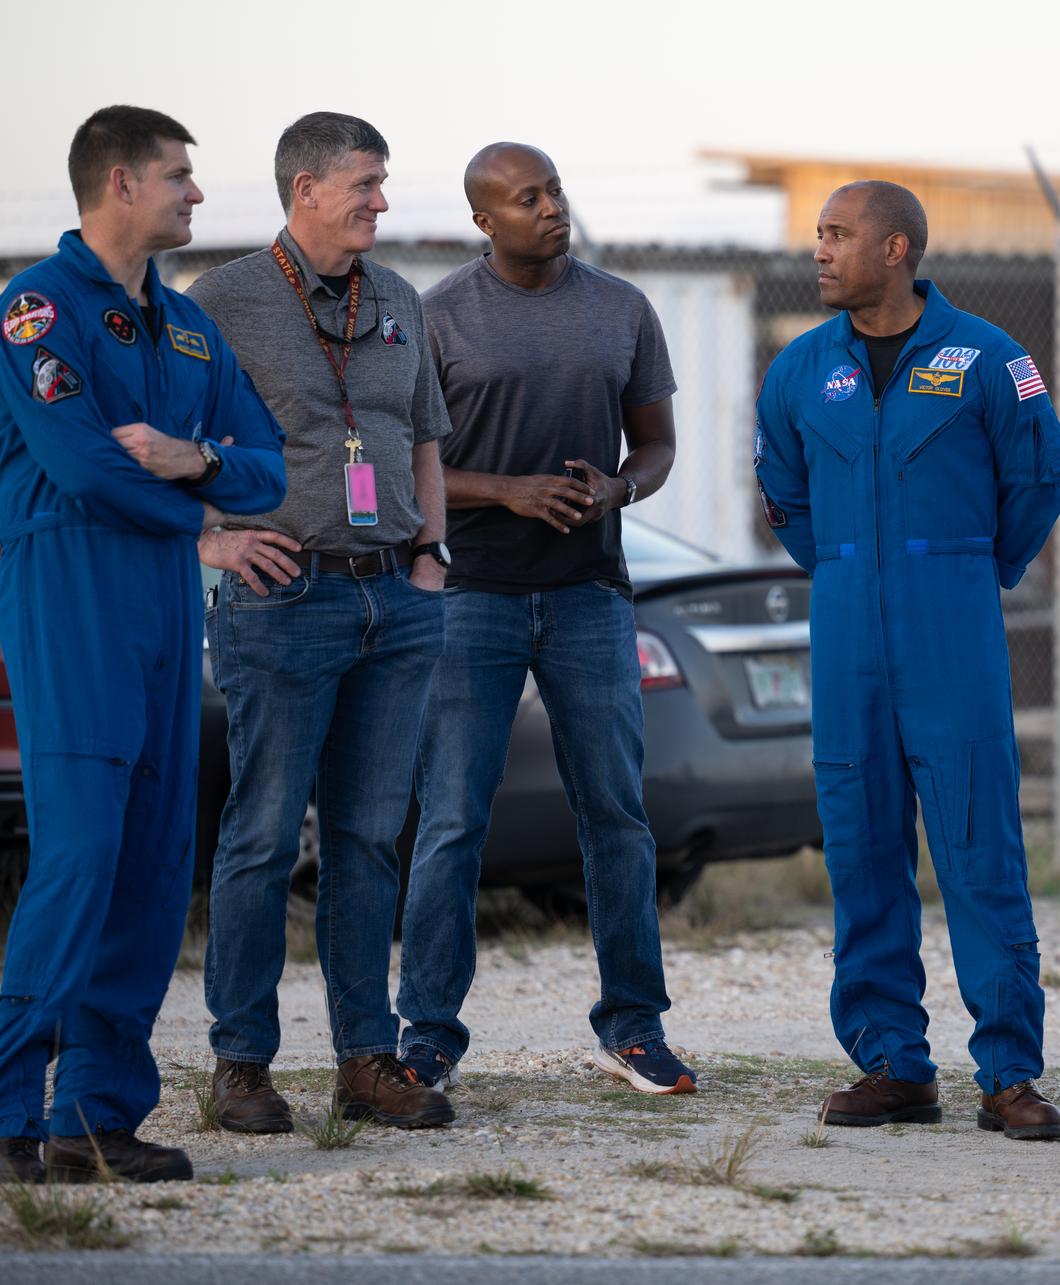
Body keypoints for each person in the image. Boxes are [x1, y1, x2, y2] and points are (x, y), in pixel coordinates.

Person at [0, 105, 286, 1183]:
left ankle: (96, 1117)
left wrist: (197, 461)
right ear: (118, 184)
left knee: (154, 867)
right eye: (179, 177)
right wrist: (207, 519)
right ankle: (5, 1115)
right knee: (81, 859)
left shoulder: (189, 330)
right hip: (74, 607)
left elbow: (270, 468)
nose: (197, 194)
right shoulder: (35, 313)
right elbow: (85, 468)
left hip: (162, 612)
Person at [754, 181, 1060, 1140]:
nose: (820, 250)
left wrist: (973, 568)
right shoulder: (801, 368)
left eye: (838, 235)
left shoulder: (989, 357)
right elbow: (784, 488)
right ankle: (893, 1063)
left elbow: (1037, 480)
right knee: (861, 849)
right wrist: (851, 568)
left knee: (980, 850)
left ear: (896, 249)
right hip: (847, 629)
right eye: (818, 234)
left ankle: (1009, 1072)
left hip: (953, 630)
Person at [398, 142, 691, 1094]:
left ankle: (634, 1027)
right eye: (528, 199)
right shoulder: (438, 318)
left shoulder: (622, 308)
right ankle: (428, 1035)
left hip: (589, 599)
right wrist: (508, 493)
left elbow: (657, 444)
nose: (552, 208)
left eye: (556, 190)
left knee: (617, 815)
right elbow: (415, 467)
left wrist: (618, 490)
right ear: (486, 220)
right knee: (451, 820)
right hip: (471, 597)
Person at [187, 112, 455, 1133]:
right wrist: (209, 542)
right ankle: (242, 1064)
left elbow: (422, 434)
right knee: (260, 835)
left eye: (382, 185)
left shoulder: (399, 300)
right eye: (366, 185)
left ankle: (365, 1059)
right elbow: (168, 445)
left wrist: (431, 556)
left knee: (368, 838)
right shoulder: (222, 301)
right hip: (281, 599)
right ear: (305, 189)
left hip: (394, 598)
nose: (381, 203)